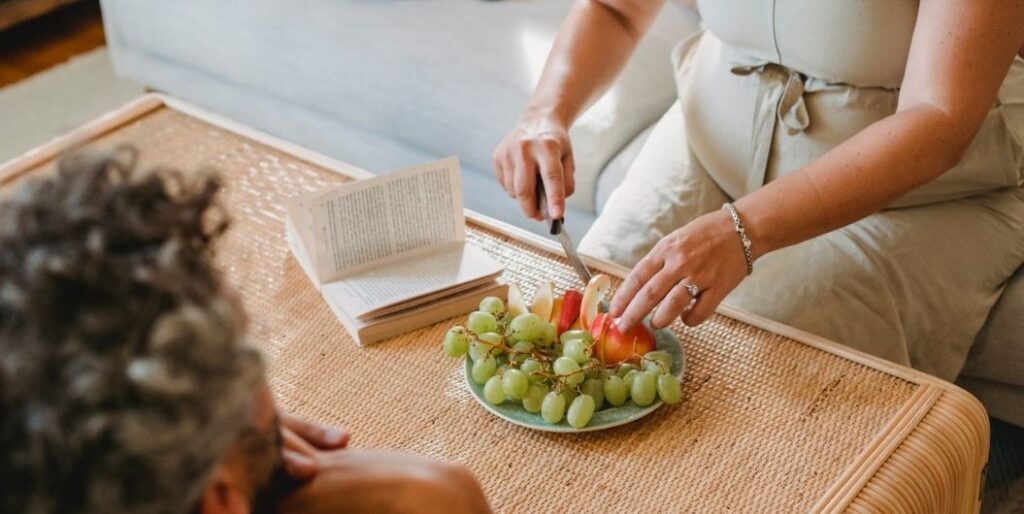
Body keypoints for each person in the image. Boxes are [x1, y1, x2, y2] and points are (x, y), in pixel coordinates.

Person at [493, 0, 1024, 382]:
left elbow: (940, 119)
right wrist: (545, 114)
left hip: (920, 193)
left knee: (759, 364)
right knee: (592, 305)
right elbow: (618, 9)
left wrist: (741, 230)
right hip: (710, 144)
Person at [0, 149, 492, 514]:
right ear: (220, 499)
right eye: (242, 354)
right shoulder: (434, 496)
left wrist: (228, 436)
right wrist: (440, 491)